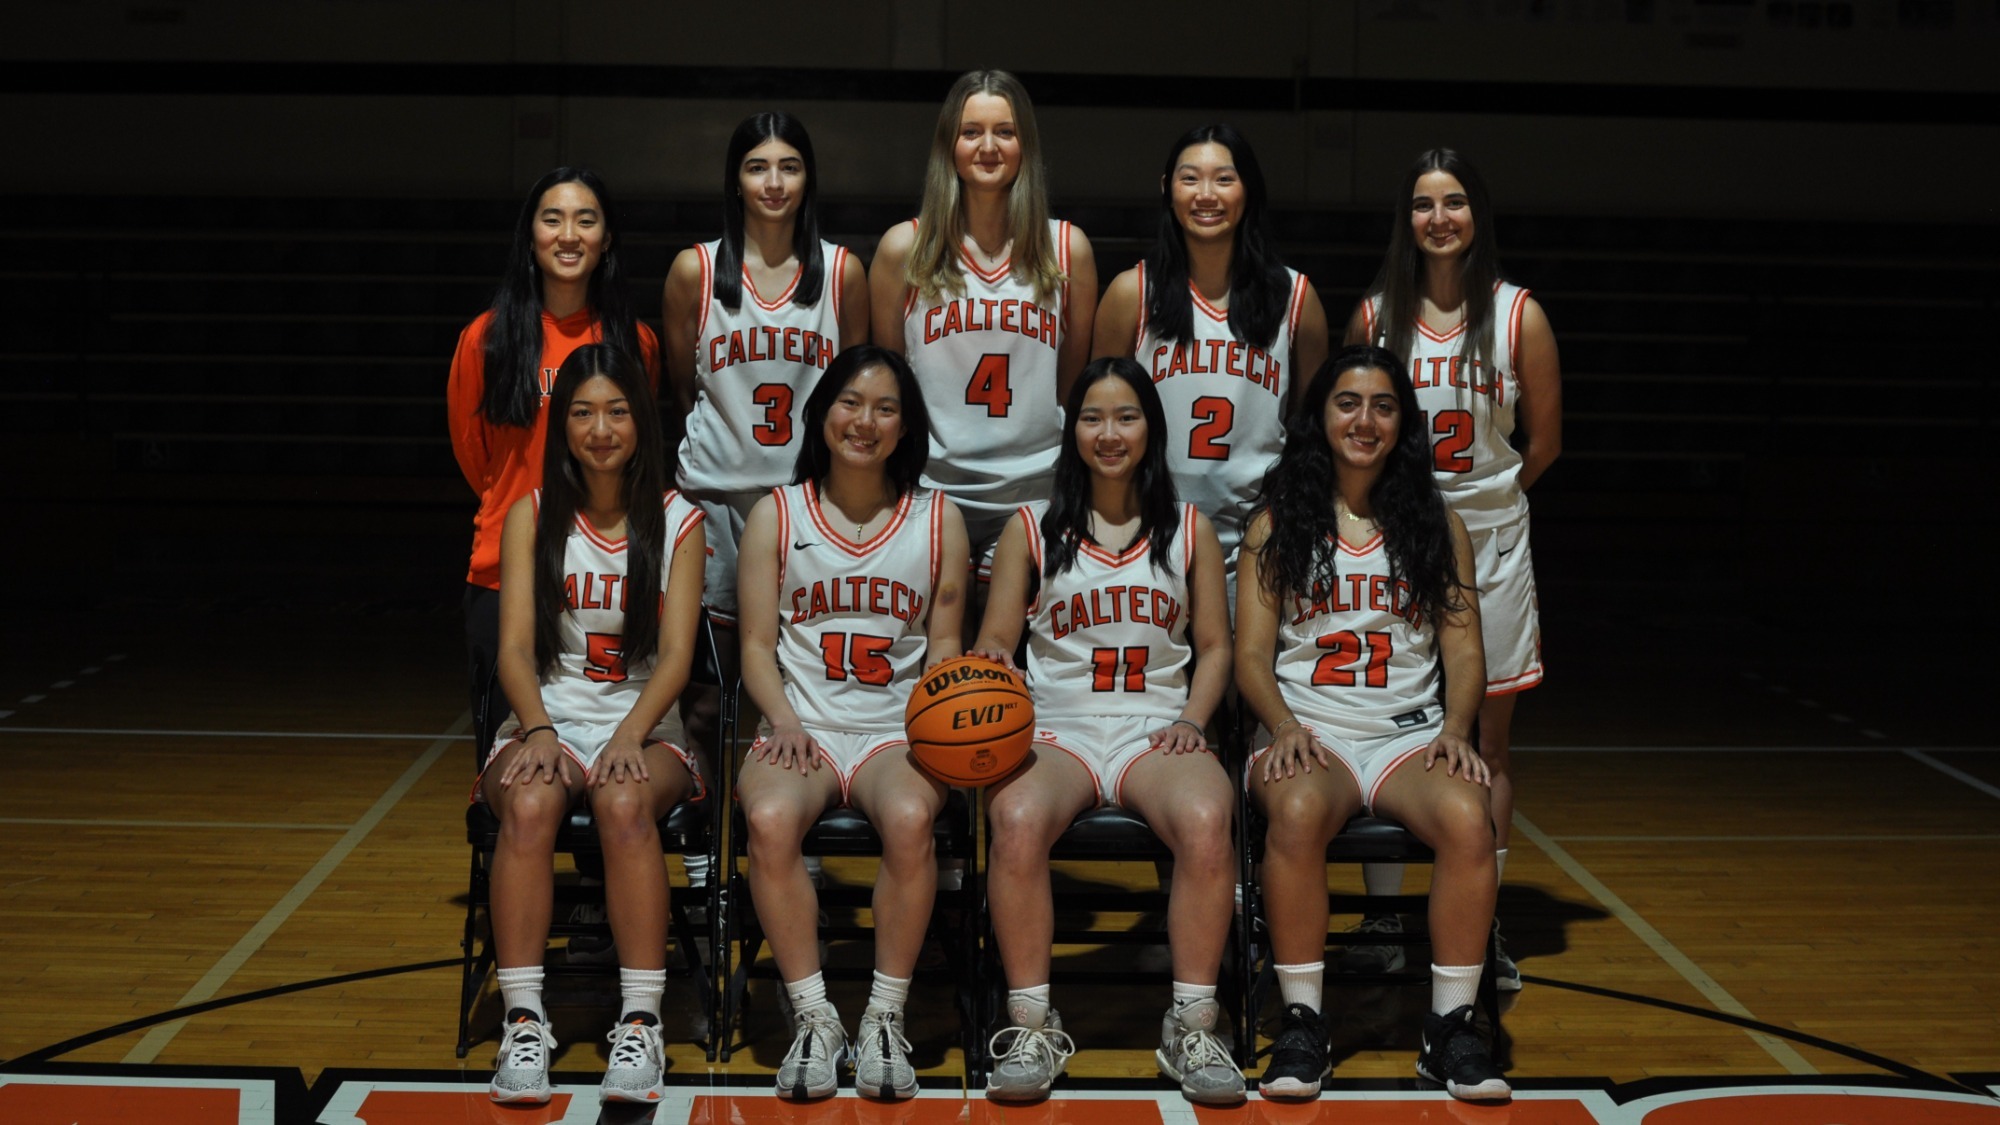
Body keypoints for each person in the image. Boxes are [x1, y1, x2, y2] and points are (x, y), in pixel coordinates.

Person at [1236, 346, 1508, 1103]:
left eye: (1383, 405)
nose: (1365, 419)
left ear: (1404, 424)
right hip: (1310, 727)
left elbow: (1463, 644)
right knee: (1294, 809)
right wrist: (1283, 725)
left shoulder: (1434, 521)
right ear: (1320, 416)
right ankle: (1302, 1021)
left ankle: (1450, 1027)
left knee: (1466, 815)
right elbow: (1252, 656)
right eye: (1348, 403)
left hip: (1405, 732)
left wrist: (1457, 728)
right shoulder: (1276, 521)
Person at [968, 357, 1240, 1104]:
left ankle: (1192, 1021)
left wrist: (1193, 718)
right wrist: (992, 662)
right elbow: (996, 638)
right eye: (1093, 417)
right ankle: (1030, 1018)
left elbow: (1215, 646)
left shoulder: (1191, 528)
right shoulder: (1030, 527)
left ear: (1150, 428)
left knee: (1209, 817)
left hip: (1157, 725)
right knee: (1015, 817)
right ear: (1072, 430)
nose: (1109, 433)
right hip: (1057, 726)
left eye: (1126, 417)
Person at [1342, 149, 1561, 987]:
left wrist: (1481, 506)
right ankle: (1385, 918)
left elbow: (1543, 442)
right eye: (1426, 204)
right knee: (1389, 720)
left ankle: (1484, 920)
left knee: (1487, 743)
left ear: (1478, 215)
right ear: (1407, 219)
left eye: (1456, 202)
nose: (1441, 218)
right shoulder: (1374, 316)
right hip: (1394, 542)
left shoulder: (1517, 317)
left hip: (1492, 542)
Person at [735, 344, 971, 1101]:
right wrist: (782, 717)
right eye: (849, 402)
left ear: (906, 427)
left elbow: (943, 648)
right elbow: (754, 645)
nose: (863, 421)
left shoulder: (939, 520)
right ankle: (814, 1016)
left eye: (885, 407)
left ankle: (882, 1015)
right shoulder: (777, 512)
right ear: (822, 412)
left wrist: (936, 719)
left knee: (909, 817)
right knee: (769, 819)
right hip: (799, 719)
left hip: (892, 731)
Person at [479, 345, 707, 1105]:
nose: (600, 428)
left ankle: (639, 1021)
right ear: (562, 425)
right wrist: (538, 729)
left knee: (622, 801)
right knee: (534, 801)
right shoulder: (532, 515)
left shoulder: (679, 520)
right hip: (549, 712)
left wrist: (628, 734)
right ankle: (524, 1016)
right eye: (581, 412)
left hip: (644, 715)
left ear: (641, 419)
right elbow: (512, 648)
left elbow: (676, 657)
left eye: (615, 410)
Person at [663, 113, 869, 896]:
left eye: (789, 166)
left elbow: (857, 390)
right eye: (757, 166)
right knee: (708, 689)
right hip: (715, 500)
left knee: (801, 678)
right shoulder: (696, 270)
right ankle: (701, 849)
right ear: (736, 179)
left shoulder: (841, 272)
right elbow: (683, 387)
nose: (774, 182)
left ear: (808, 178)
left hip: (807, 506)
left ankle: (798, 840)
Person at [449, 167, 659, 742]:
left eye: (586, 220)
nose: (569, 235)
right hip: (505, 572)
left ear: (606, 238)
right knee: (515, 767)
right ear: (531, 235)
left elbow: (638, 454)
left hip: (605, 580)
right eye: (553, 219)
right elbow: (477, 459)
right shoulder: (486, 339)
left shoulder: (634, 343)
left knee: (611, 768)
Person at [870, 69, 1097, 583]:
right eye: (971, 132)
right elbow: (891, 389)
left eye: (1006, 132)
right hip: (928, 492)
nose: (988, 147)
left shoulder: (1067, 250)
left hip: (1035, 494)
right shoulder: (903, 250)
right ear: (948, 145)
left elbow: (1070, 386)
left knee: (1007, 660)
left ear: (1026, 145)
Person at [1093, 124, 1328, 587]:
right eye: (1189, 179)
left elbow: (1313, 430)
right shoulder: (1132, 293)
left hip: (1261, 540)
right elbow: (1093, 419)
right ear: (1167, 188)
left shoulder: (1296, 297)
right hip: (1151, 533)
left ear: (1248, 189)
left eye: (1224, 178)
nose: (1206, 195)